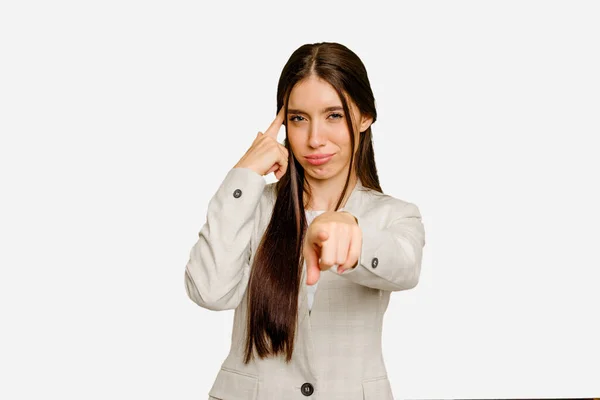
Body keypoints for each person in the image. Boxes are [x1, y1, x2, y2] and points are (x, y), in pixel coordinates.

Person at [184, 41, 426, 400]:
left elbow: (404, 266)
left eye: (334, 115)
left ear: (364, 117)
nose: (314, 139)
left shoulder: (396, 215)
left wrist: (354, 237)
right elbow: (209, 291)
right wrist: (244, 174)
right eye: (298, 118)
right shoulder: (251, 206)